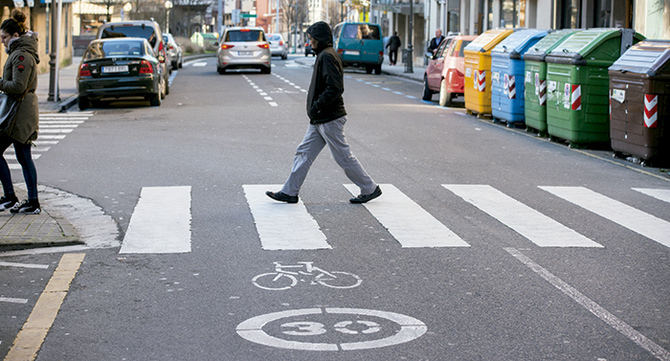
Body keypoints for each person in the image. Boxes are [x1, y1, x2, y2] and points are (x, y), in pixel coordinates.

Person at [266, 21, 382, 205]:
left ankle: (369, 188)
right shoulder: (324, 54)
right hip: (320, 118)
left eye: (312, 38)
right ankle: (289, 192)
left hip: (329, 117)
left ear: (319, 39)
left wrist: (317, 106)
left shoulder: (327, 56)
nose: (310, 42)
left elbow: (335, 87)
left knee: (343, 157)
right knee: (303, 152)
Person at [0, 10, 41, 214]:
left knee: (24, 156)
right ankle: (20, 199)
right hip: (19, 112)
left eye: (4, 37)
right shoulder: (20, 52)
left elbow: (18, 86)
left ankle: (17, 199)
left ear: (15, 36)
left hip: (20, 114)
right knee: (24, 156)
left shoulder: (22, 54)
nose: (2, 42)